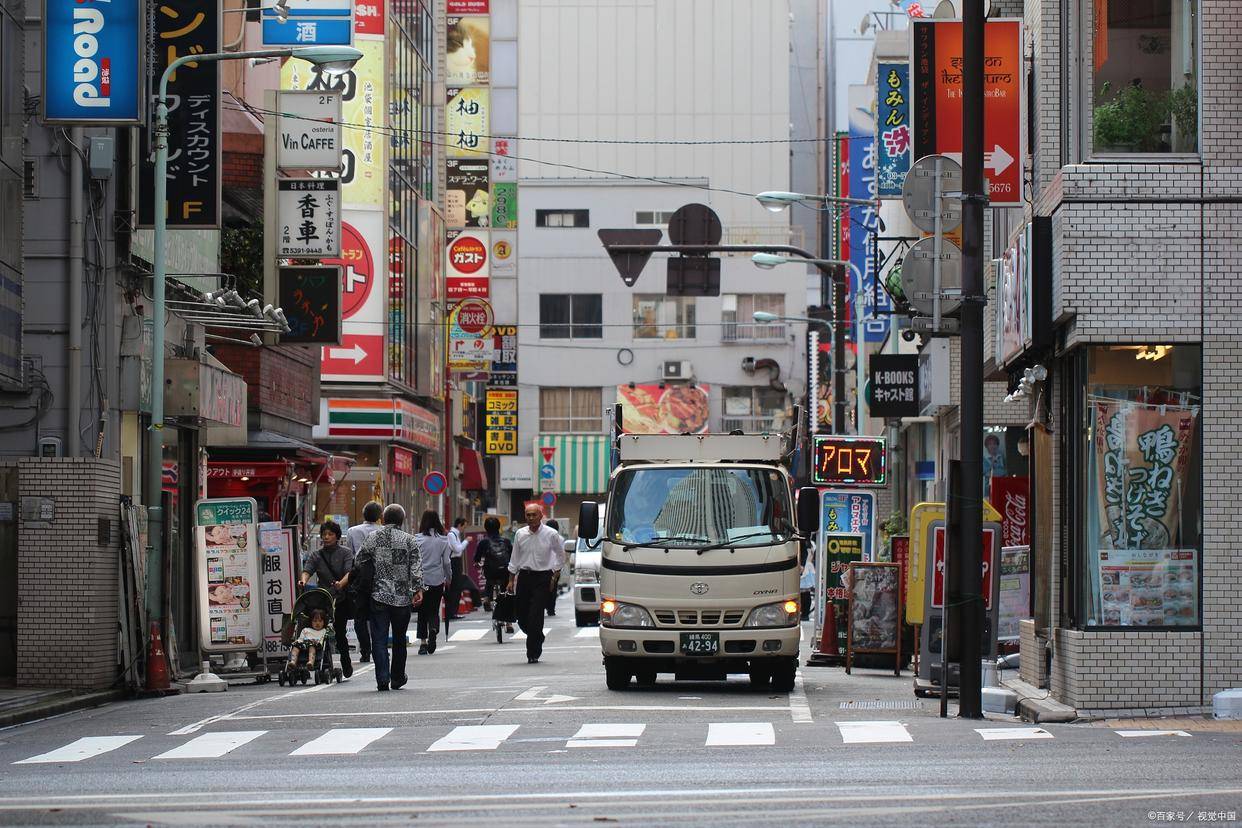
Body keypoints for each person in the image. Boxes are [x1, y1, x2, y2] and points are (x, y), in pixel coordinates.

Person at [351, 504, 424, 691]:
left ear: (383, 519)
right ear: (402, 520)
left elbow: (358, 561)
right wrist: (417, 589)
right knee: (399, 639)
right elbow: (415, 567)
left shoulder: (372, 538)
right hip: (402, 597)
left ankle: (382, 678)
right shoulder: (409, 540)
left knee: (379, 639)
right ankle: (398, 677)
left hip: (379, 595)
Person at [508, 504, 565, 664]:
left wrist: (555, 572)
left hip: (543, 577)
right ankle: (537, 635)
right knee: (522, 616)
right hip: (525, 577)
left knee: (536, 614)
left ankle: (533, 652)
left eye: (534, 515)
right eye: (528, 515)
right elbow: (514, 557)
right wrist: (511, 579)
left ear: (541, 516)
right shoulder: (520, 534)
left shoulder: (551, 534)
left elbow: (560, 555)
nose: (531, 518)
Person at [299, 521, 356, 678]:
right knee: (318, 630)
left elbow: (349, 573)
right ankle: (321, 661)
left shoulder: (345, 552)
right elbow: (307, 570)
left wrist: (340, 584)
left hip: (341, 598)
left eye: (330, 534)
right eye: (324, 534)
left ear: (337, 536)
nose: (326, 537)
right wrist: (303, 581)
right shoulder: (316, 555)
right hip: (323, 599)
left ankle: (345, 660)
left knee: (339, 632)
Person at [344, 501, 384, 663]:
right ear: (380, 516)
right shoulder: (382, 532)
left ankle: (365, 650)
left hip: (359, 577)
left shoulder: (353, 531)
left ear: (363, 514)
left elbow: (350, 555)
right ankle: (378, 648)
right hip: (380, 578)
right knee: (378, 614)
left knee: (360, 616)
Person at [413, 510, 454, 656]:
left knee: (422, 611)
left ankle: (423, 644)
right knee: (433, 609)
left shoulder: (416, 539)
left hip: (421, 580)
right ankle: (434, 629)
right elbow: (446, 562)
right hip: (437, 579)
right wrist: (449, 578)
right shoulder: (443, 540)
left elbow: (414, 562)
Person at [475, 517, 515, 634]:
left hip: (491, 571)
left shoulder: (484, 542)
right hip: (505, 571)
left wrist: (477, 563)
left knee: (489, 579)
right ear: (499, 527)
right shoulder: (506, 541)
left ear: (486, 528)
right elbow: (513, 557)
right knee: (506, 593)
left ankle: (487, 598)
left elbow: (477, 558)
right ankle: (509, 623)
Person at [446, 517, 482, 619]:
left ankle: (453, 612)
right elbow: (458, 549)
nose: (464, 529)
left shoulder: (455, 534)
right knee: (455, 588)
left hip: (456, 562)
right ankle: (451, 612)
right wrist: (466, 541)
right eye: (464, 527)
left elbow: (459, 550)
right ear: (459, 525)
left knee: (457, 587)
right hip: (454, 562)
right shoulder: (451, 535)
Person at [287, 609, 329, 674]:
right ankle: (293, 661)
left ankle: (311, 662)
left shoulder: (324, 630)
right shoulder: (306, 630)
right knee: (295, 647)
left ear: (324, 622)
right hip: (304, 644)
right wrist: (298, 643)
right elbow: (300, 639)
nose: (317, 623)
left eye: (320, 621)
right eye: (315, 621)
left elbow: (329, 635)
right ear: (311, 622)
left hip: (315, 645)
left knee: (312, 647)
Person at [544, 519, 563, 617]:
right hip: (555, 568)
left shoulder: (543, 537)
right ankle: (551, 609)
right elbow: (561, 554)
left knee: (542, 588)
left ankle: (543, 605)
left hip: (544, 567)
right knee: (553, 589)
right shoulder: (560, 538)